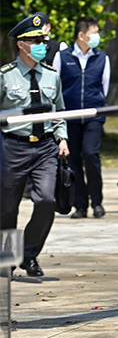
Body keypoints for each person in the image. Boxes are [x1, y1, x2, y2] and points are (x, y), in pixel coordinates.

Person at [0, 14, 69, 277]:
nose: (42, 44)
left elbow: (59, 111)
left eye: (44, 40)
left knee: (46, 200)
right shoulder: (5, 76)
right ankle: (6, 258)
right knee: (7, 207)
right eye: (36, 40)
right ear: (21, 44)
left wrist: (62, 137)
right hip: (13, 146)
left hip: (45, 148)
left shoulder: (52, 75)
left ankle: (28, 254)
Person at [57, 16, 110, 219]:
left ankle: (97, 201)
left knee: (90, 154)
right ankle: (80, 205)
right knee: (74, 159)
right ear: (81, 35)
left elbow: (103, 88)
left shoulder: (101, 58)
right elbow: (58, 86)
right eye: (93, 33)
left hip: (93, 115)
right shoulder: (63, 56)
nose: (97, 37)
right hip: (70, 115)